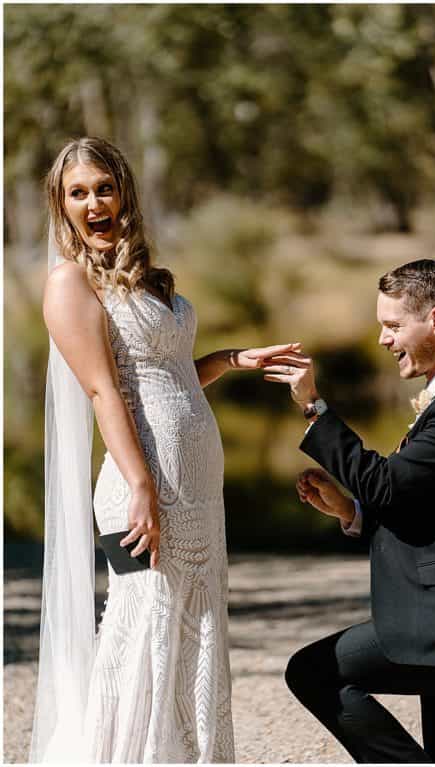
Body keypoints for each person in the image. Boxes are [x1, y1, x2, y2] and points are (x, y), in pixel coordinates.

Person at [31, 137, 301, 763]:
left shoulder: (149, 279)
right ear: (61, 205)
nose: (94, 203)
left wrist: (234, 360)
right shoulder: (70, 283)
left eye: (103, 187)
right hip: (141, 487)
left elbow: (165, 372)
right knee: (142, 635)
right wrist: (143, 486)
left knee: (195, 636)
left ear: (124, 190)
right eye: (78, 193)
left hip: (198, 490)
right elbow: (103, 389)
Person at [266, 259, 435, 763]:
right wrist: (352, 509)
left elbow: (390, 485)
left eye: (394, 325)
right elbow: (428, 505)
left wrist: (314, 407)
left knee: (314, 672)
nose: (383, 339)